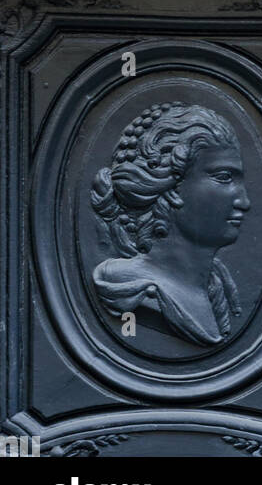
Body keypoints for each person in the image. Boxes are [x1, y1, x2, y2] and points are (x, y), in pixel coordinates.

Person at [90, 102, 250, 346]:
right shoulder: (130, 287)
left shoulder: (215, 289)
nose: (244, 202)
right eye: (224, 177)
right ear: (172, 187)